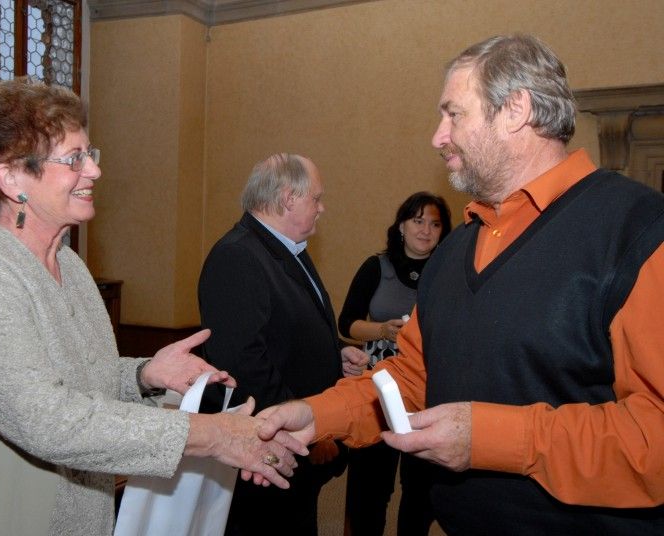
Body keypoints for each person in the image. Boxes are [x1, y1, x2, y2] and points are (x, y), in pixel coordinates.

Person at [259, 33, 664, 535]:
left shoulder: (637, 231)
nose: (438, 136)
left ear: (515, 110)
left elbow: (656, 433)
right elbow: (411, 380)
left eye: (454, 114)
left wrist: (489, 437)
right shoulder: (453, 253)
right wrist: (317, 416)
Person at [0, 78, 306, 536]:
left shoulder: (68, 263)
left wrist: (144, 375)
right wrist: (211, 435)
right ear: (11, 177)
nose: (93, 171)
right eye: (74, 159)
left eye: (90, 155)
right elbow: (44, 417)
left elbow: (79, 377)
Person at [198, 153, 369, 536]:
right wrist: (303, 428)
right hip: (272, 445)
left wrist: (335, 349)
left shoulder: (288, 249)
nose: (322, 208)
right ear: (289, 197)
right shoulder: (238, 255)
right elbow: (244, 363)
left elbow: (288, 327)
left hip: (295, 442)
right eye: (317, 199)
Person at [338, 191, 451, 536]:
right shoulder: (377, 266)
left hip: (428, 392)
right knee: (370, 488)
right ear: (401, 226)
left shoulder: (449, 271)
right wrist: (382, 330)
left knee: (420, 491)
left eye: (435, 224)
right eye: (418, 221)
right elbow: (347, 323)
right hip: (378, 390)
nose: (425, 230)